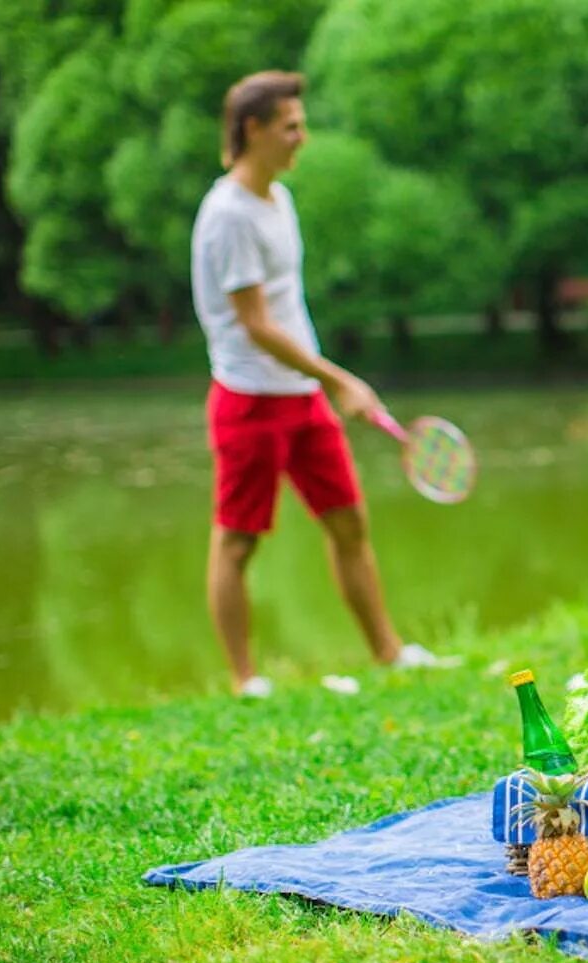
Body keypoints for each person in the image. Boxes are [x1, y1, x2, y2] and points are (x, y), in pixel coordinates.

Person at [192, 70, 446, 697]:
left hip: (301, 397)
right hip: (249, 400)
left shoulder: (279, 199)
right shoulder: (228, 215)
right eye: (291, 126)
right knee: (238, 542)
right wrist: (339, 378)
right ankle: (245, 679)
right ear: (253, 130)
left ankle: (389, 652)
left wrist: (321, 383)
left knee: (348, 523)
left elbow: (286, 308)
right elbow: (254, 324)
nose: (302, 137)